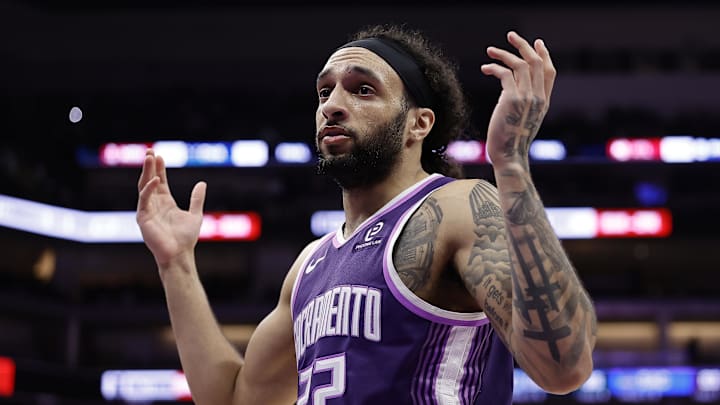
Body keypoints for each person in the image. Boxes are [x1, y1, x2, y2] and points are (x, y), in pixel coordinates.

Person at [136, 25, 596, 405]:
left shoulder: (455, 207)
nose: (332, 105)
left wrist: (511, 162)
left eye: (362, 89)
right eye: (324, 91)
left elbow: (563, 366)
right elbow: (236, 400)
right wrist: (175, 263)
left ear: (419, 123)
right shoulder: (308, 267)